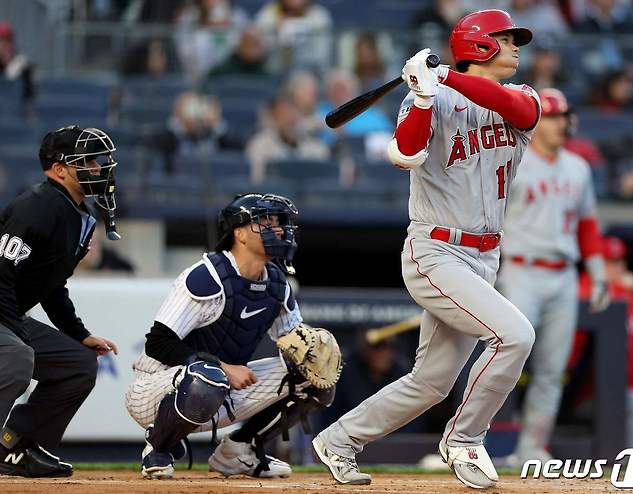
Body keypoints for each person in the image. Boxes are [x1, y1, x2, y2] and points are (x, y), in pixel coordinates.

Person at [313, 9, 540, 489]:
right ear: (479, 44)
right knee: (516, 336)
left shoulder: (522, 96)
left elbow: (517, 110)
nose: (517, 46)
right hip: (435, 250)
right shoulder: (431, 98)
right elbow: (405, 155)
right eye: (506, 38)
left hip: (485, 256)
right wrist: (421, 96)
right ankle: (464, 440)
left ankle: (339, 439)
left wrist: (443, 77)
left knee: (431, 382)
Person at [125, 193, 342, 479]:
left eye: (279, 222)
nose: (278, 228)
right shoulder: (207, 276)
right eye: (265, 221)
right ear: (238, 232)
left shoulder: (278, 284)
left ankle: (240, 450)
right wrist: (224, 368)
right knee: (209, 376)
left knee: (316, 372)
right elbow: (157, 343)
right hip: (155, 391)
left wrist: (314, 347)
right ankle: (159, 446)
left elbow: (295, 344)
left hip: (218, 391)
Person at [495, 88, 609, 467]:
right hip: (521, 270)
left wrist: (596, 273)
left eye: (564, 116)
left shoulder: (577, 167)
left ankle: (532, 448)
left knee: (551, 370)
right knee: (503, 360)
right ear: (538, 120)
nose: (562, 123)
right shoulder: (515, 159)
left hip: (562, 275)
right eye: (555, 116)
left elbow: (588, 226)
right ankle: (474, 441)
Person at [0, 126, 120, 477]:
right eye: (88, 162)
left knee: (78, 363)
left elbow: (52, 285)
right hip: (3, 310)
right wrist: (14, 332)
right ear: (59, 169)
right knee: (15, 355)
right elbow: (1, 274)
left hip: (7, 314)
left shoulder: (80, 213)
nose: (98, 169)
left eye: (99, 162)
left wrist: (78, 333)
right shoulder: (37, 207)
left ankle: (17, 445)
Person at [575, 236, 633, 449]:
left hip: (632, 388)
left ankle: (625, 469)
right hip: (588, 391)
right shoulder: (587, 285)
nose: (617, 268)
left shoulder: (629, 294)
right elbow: (583, 293)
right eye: (609, 262)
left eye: (620, 262)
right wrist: (617, 287)